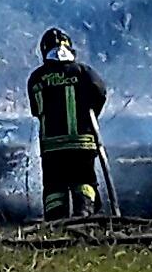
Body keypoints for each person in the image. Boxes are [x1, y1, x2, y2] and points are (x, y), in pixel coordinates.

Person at [27, 28, 108, 220]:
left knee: (54, 187)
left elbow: (36, 111)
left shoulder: (37, 77)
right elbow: (100, 93)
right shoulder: (84, 72)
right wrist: (90, 112)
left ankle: (55, 223)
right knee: (84, 181)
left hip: (52, 147)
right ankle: (84, 216)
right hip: (83, 143)